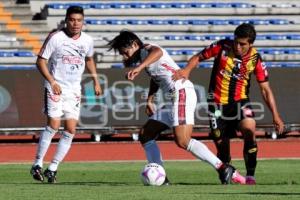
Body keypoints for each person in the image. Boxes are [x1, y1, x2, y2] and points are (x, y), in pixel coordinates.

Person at [108, 30, 245, 185]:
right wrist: (150, 99)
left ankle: (222, 167)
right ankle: (161, 178)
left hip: (181, 93)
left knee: (182, 140)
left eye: (125, 53)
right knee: (146, 134)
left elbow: (158, 52)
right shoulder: (144, 58)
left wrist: (139, 68)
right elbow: (156, 77)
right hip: (174, 97)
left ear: (134, 44)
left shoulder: (147, 49)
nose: (125, 57)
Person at [173, 23, 284, 185]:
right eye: (236, 42)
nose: (237, 47)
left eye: (242, 44)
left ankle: (251, 176)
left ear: (251, 44)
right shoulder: (222, 46)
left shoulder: (255, 59)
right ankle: (230, 177)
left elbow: (265, 89)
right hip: (216, 106)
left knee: (249, 130)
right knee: (222, 148)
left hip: (240, 102)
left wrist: (276, 115)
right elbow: (199, 57)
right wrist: (187, 70)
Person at [30, 5, 102, 183]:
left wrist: (95, 80)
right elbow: (40, 61)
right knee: (54, 125)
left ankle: (53, 168)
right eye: (72, 20)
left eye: (79, 20)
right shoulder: (56, 38)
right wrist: (52, 81)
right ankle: (37, 163)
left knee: (71, 129)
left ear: (83, 22)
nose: (75, 23)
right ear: (66, 20)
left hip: (74, 90)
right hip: (55, 87)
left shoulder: (87, 40)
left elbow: (89, 58)